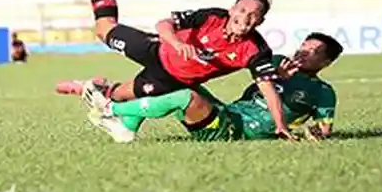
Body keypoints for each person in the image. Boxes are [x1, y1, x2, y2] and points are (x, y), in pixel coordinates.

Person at [55, 0, 297, 141]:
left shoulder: (256, 50)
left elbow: (268, 89)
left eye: (254, 15)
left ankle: (85, 87)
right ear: (232, 9)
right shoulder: (211, 16)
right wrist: (177, 44)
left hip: (172, 79)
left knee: (119, 96)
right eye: (243, 10)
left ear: (261, 22)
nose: (245, 18)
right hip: (155, 49)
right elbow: (163, 24)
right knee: (104, 29)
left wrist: (280, 125)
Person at [81, 33, 343, 144]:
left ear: (326, 62)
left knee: (185, 97)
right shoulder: (275, 63)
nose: (303, 52)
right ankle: (127, 127)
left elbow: (324, 128)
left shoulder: (323, 91)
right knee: (176, 79)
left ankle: (111, 109)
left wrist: (313, 134)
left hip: (235, 133)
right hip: (228, 114)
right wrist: (277, 76)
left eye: (313, 52)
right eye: (304, 46)